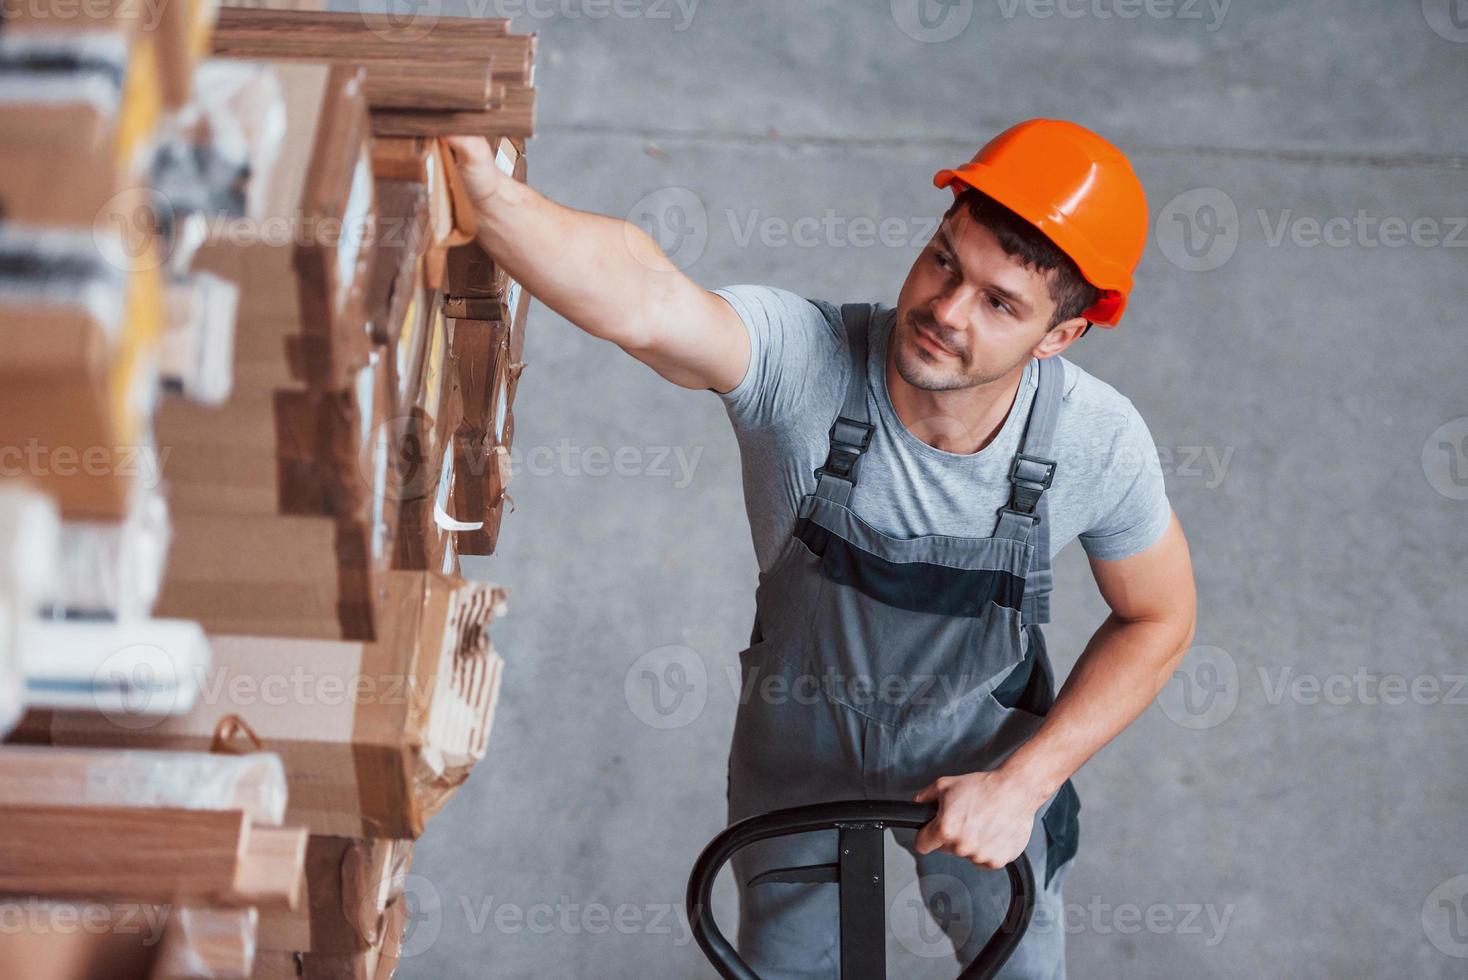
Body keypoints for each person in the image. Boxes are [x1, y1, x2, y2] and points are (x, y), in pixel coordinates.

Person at [448, 118, 1197, 978]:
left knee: (1016, 964)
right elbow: (647, 295)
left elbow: (1160, 617)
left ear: (1060, 336)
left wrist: (1024, 786)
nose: (945, 311)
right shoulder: (803, 366)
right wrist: (494, 201)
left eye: (999, 303)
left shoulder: (1095, 443)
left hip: (986, 772)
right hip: (798, 769)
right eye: (945, 260)